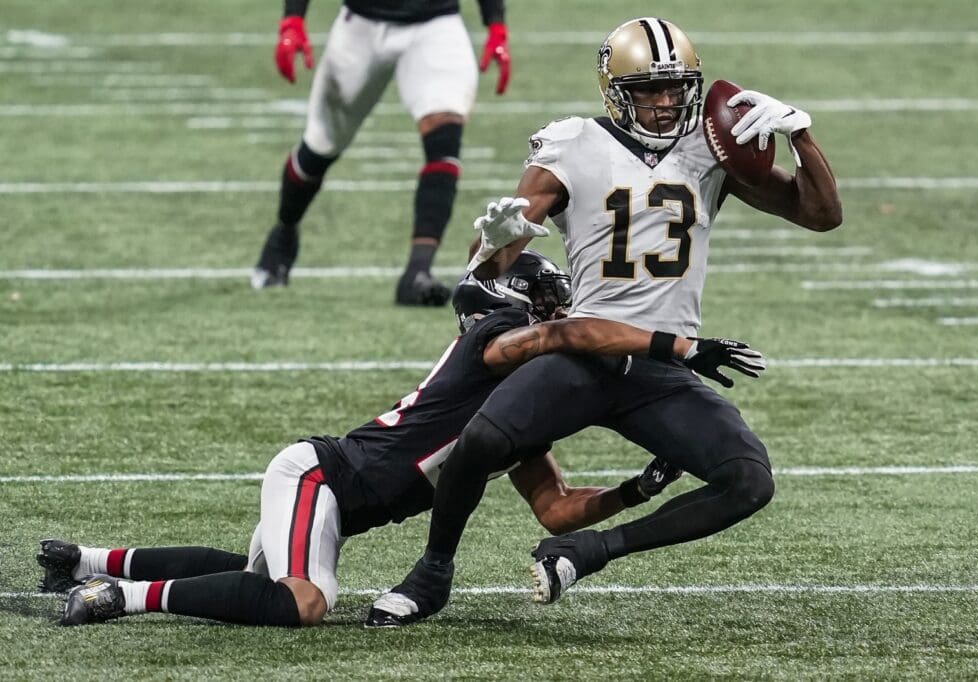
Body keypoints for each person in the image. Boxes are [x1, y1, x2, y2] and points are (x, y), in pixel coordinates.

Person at [372, 16, 841, 624]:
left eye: (676, 87)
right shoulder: (572, 143)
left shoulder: (710, 148)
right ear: (616, 90)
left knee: (749, 481)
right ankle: (432, 571)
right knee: (484, 439)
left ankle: (590, 551)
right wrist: (495, 240)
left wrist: (801, 135)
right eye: (650, 89)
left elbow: (822, 214)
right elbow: (493, 261)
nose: (667, 102)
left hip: (659, 367)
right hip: (582, 352)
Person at [43, 249, 750, 628]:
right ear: (511, 313)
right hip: (320, 475)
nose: (558, 311)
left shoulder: (510, 417)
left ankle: (86, 560)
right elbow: (564, 334)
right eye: (545, 300)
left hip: (335, 497)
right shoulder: (492, 345)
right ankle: (121, 597)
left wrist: (638, 487)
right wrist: (675, 346)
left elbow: (556, 509)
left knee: (255, 579)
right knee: (302, 600)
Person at [251, 0, 513, 306]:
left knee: (444, 136)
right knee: (320, 147)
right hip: (361, 25)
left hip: (436, 23)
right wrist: (292, 21)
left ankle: (417, 271)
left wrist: (495, 24)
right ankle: (284, 232)